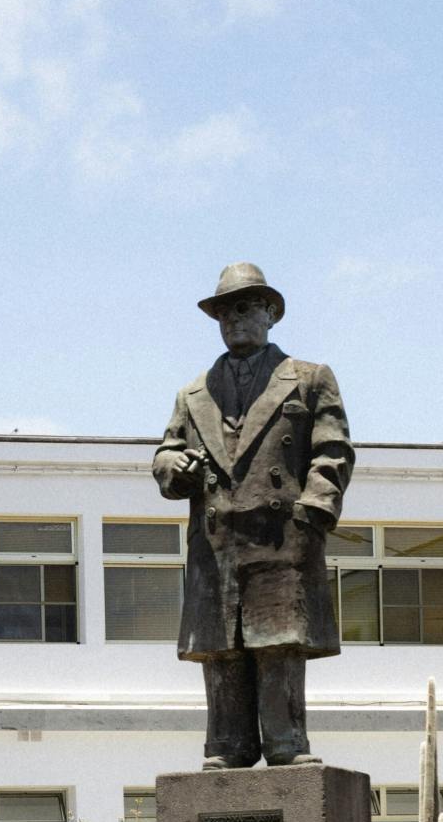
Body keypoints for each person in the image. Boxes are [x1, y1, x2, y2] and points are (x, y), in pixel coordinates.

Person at [152, 263, 354, 768]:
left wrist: (312, 514)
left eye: (244, 307)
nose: (233, 319)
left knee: (277, 643)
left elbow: (332, 452)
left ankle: (286, 742)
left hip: (280, 537)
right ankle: (228, 744)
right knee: (222, 648)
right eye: (224, 312)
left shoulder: (309, 378)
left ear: (270, 313)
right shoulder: (193, 393)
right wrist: (174, 467)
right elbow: (166, 453)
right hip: (217, 541)